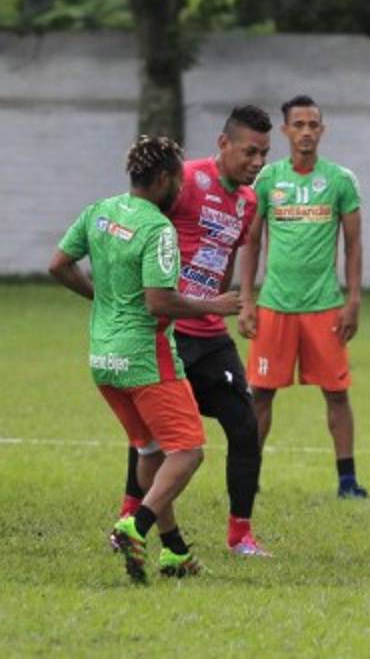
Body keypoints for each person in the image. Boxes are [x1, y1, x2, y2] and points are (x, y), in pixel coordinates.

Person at [48, 135, 241, 582]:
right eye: (177, 179)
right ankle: (136, 525)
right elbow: (159, 302)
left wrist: (103, 300)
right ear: (162, 180)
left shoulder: (99, 211)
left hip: (103, 359)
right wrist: (213, 305)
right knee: (189, 452)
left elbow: (58, 264)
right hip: (145, 358)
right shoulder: (158, 229)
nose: (182, 188)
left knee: (151, 448)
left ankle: (173, 552)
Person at [113, 106, 273, 556]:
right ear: (223, 145)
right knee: (152, 433)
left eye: (263, 153)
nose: (257, 162)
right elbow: (138, 220)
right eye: (249, 152)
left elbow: (222, 259)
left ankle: (240, 534)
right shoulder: (183, 180)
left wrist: (222, 303)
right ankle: (130, 514)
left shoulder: (249, 201)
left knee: (244, 427)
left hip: (209, 332)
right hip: (168, 329)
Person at [239, 95, 367, 498]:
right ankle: (249, 476)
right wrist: (246, 299)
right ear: (285, 131)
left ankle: (347, 481)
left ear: (322, 131)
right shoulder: (267, 179)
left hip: (325, 306)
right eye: (299, 125)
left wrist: (354, 300)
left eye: (313, 125)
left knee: (337, 393)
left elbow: (354, 245)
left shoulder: (340, 180)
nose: (306, 132)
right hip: (274, 305)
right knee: (260, 395)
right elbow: (252, 242)